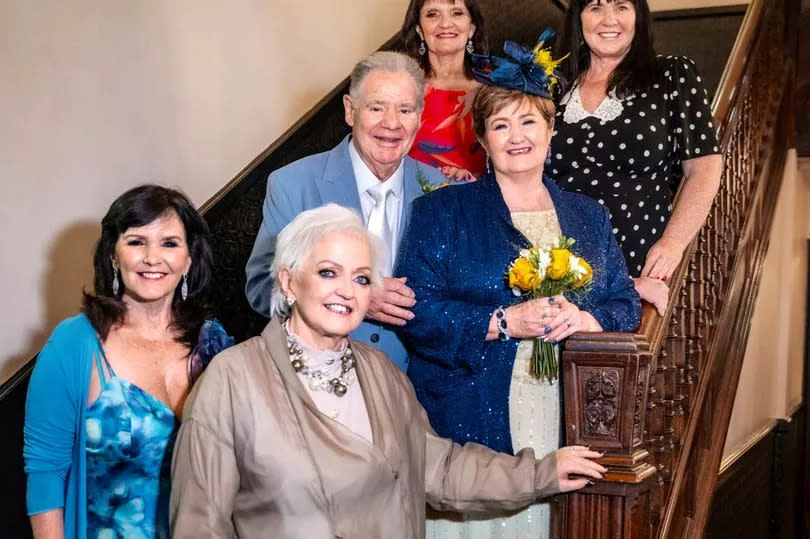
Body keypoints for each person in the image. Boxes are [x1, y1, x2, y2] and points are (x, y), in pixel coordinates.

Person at [170, 204, 606, 538]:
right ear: (288, 282)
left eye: (362, 279)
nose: (346, 291)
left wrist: (542, 472)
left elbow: (438, 468)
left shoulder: (378, 370)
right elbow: (199, 523)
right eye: (327, 273)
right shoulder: (231, 378)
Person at [395, 31, 641, 535]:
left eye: (528, 120)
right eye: (500, 125)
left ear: (551, 131)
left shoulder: (588, 216)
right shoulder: (442, 212)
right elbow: (418, 313)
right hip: (470, 410)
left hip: (564, 407)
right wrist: (503, 320)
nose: (516, 136)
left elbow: (624, 302)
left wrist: (585, 318)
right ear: (482, 140)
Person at [23, 185, 233, 539]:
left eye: (170, 243)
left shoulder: (214, 342)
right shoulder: (73, 344)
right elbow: (45, 474)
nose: (153, 257)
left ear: (189, 260)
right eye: (136, 242)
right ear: (113, 257)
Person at [245, 51, 446, 372]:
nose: (391, 123)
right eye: (377, 107)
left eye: (405, 109)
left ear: (420, 117)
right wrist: (356, 296)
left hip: (420, 387)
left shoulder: (441, 189)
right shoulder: (292, 184)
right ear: (350, 111)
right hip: (319, 379)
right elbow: (262, 289)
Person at [550, 0, 723, 315]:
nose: (609, 19)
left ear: (639, 17)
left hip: (641, 265)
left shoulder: (671, 74)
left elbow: (705, 168)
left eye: (621, 6)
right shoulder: (550, 86)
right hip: (560, 269)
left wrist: (672, 243)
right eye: (596, 8)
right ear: (578, 18)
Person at [401, 0, 488, 181]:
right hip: (411, 196)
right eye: (433, 14)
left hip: (479, 197)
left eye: (456, 13)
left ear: (471, 28)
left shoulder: (496, 85)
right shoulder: (401, 84)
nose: (446, 23)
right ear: (419, 30)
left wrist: (472, 179)